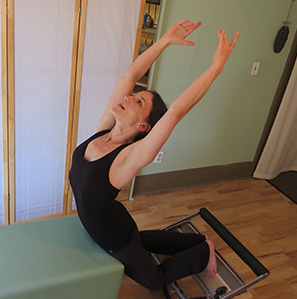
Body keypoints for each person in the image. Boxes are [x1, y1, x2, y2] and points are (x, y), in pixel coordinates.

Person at [69, 19, 238, 291]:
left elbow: (177, 110)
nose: (128, 97)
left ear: (144, 127)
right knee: (140, 241)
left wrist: (215, 68)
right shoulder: (103, 130)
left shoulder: (130, 157)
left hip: (115, 238)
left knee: (154, 280)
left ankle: (204, 250)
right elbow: (129, 76)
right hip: (114, 223)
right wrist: (165, 40)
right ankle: (197, 240)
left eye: (139, 101)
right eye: (134, 96)